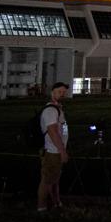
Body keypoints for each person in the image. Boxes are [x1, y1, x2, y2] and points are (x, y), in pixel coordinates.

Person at [37, 81, 70, 212]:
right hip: (52, 151)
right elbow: (52, 132)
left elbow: (62, 130)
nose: (62, 94)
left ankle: (56, 203)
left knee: (54, 180)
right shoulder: (51, 110)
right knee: (47, 181)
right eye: (59, 92)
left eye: (63, 92)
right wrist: (62, 151)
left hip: (56, 150)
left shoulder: (58, 109)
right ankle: (42, 207)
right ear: (52, 92)